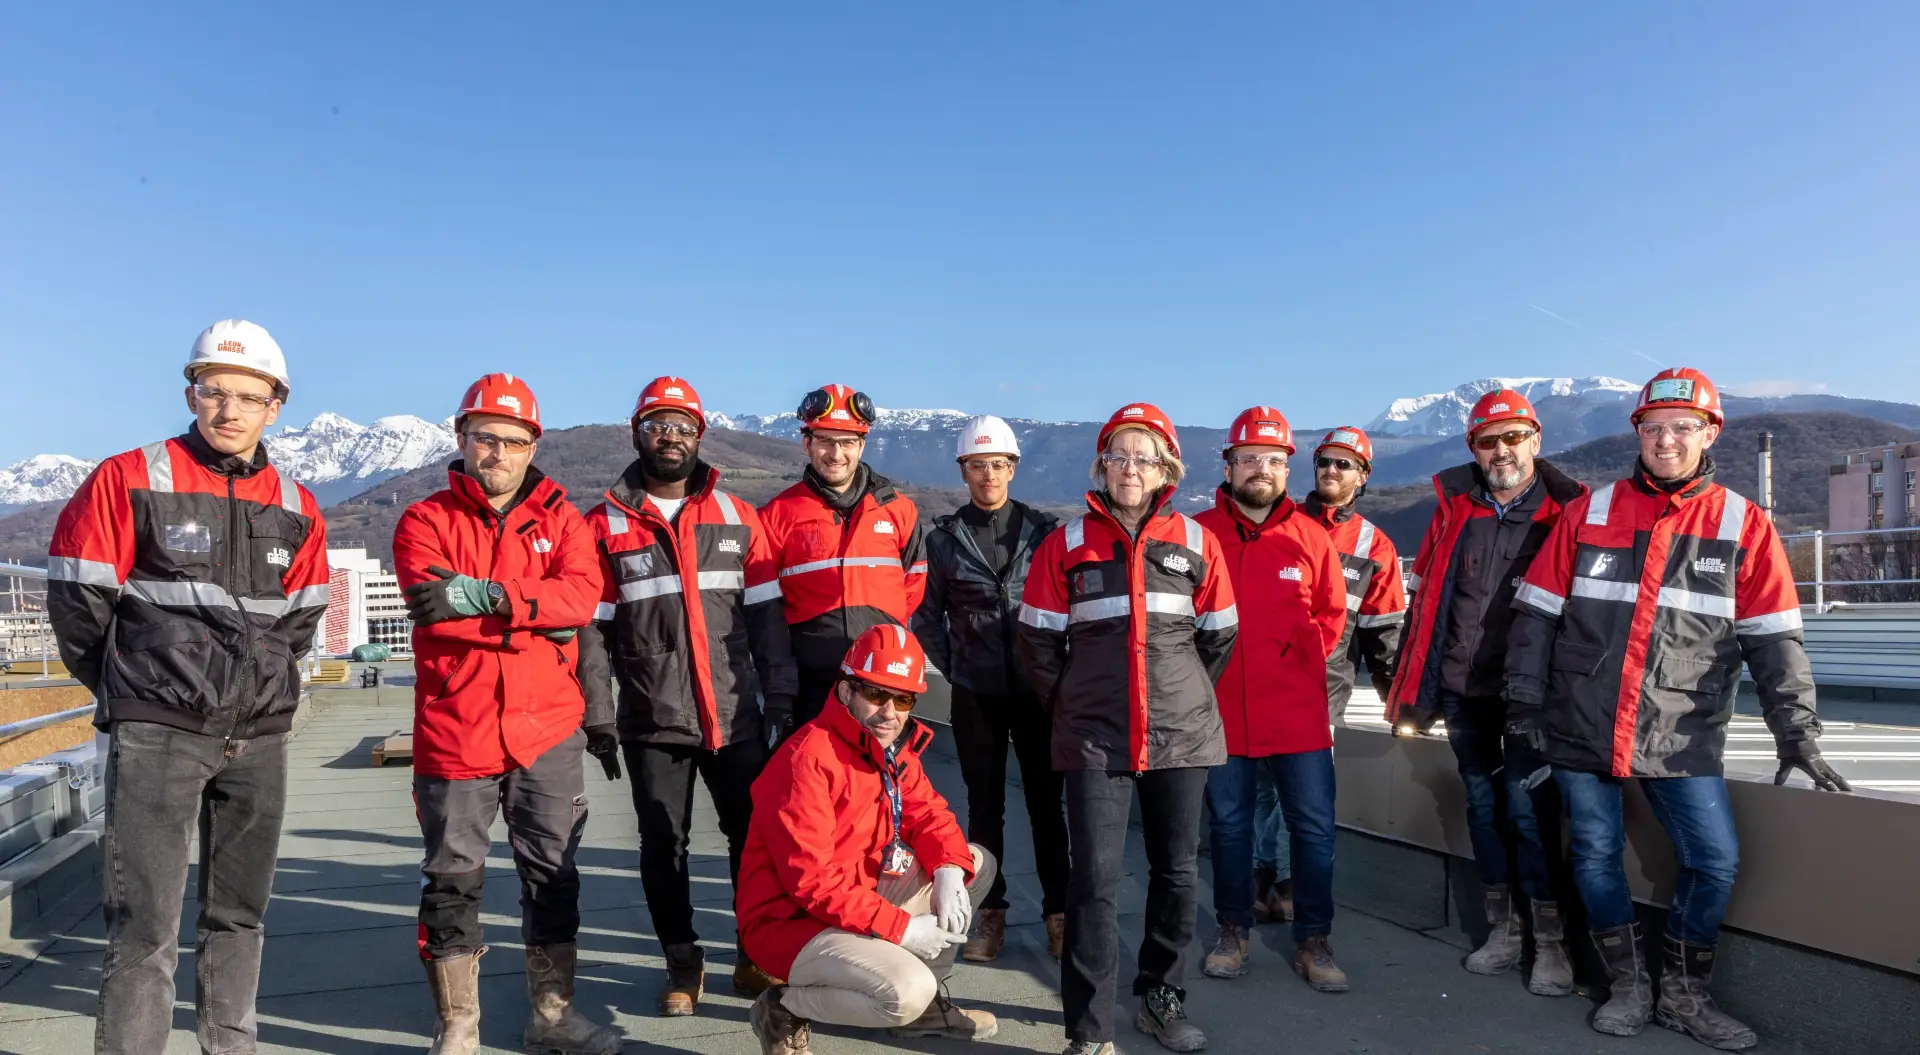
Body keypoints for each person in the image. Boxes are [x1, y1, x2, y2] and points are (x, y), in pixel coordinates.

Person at [1505, 367, 1850, 1050]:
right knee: (1596, 853)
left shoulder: (1742, 523)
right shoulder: (1591, 511)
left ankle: (1685, 996)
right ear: (1637, 431)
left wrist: (1797, 734)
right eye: (1653, 427)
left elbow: (1775, 641)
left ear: (1709, 432)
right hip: (1581, 721)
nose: (1666, 440)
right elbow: (1536, 616)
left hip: (1680, 729)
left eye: (1681, 427)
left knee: (1714, 858)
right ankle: (1628, 987)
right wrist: (1523, 702)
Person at [48, 320, 329, 1055]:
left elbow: (301, 618)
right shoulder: (130, 478)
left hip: (258, 734)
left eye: (247, 396)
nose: (228, 409)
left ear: (276, 405)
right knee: (144, 925)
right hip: (159, 732)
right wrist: (134, 686)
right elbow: (80, 602)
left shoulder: (298, 505)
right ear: (191, 393)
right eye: (213, 391)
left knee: (240, 914)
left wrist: (256, 683)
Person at [391, 373, 620, 1055]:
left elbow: (580, 602)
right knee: (452, 882)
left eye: (512, 440)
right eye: (485, 437)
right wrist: (533, 611)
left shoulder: (563, 520)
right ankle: (458, 1024)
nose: (497, 451)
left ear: (532, 446)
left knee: (553, 877)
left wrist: (484, 597)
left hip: (546, 730)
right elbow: (432, 605)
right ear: (461, 438)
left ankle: (552, 1016)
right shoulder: (424, 520)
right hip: (456, 729)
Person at [1018, 403, 1239, 1055]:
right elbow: (1035, 641)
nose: (1130, 468)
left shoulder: (1198, 543)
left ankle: (1161, 998)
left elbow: (1219, 635)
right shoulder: (1066, 544)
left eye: (1144, 456)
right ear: (1102, 465)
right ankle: (1089, 1030)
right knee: (1094, 879)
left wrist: (1179, 695)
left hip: (1180, 734)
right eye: (1119, 455)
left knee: (1175, 873)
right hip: (1095, 737)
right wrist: (1077, 702)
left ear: (1166, 467)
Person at [575, 376, 798, 1015]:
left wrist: (778, 700)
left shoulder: (737, 517)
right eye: (656, 426)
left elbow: (767, 619)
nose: (670, 438)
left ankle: (754, 954)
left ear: (700, 435)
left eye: (683, 427)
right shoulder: (605, 525)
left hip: (735, 715)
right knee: (663, 845)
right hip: (651, 720)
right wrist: (599, 715)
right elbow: (592, 634)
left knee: (752, 840)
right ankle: (682, 961)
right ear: (635, 433)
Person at [1384, 388, 1584, 997]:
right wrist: (1416, 689)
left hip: (1533, 697)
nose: (1501, 451)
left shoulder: (1567, 513)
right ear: (1474, 447)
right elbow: (1430, 607)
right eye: (1488, 441)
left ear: (1536, 440)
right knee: (1483, 811)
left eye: (1513, 437)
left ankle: (1551, 943)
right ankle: (1505, 930)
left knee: (1530, 813)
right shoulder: (1454, 513)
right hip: (1464, 690)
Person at [736, 624, 999, 1054]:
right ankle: (783, 1008)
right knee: (904, 993)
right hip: (791, 924)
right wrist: (903, 931)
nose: (890, 712)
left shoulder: (888, 750)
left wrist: (950, 870)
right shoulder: (807, 760)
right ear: (844, 693)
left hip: (856, 898)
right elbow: (811, 882)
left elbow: (930, 814)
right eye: (876, 694)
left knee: (975, 862)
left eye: (904, 699)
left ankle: (929, 1008)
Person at [1194, 408, 1350, 991]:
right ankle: (1232, 930)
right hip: (1222, 716)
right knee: (1230, 828)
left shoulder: (1311, 537)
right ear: (1229, 464)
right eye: (1250, 458)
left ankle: (1314, 939)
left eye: (1275, 460)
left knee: (1313, 829)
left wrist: (1294, 661)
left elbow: (1331, 618)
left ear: (1289, 469)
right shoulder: (1200, 534)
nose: (1263, 469)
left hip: (1298, 715)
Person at [910, 414, 1070, 964]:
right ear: (964, 471)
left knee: (1049, 807)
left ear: (1013, 467)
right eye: (977, 466)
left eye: (996, 465)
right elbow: (927, 616)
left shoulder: (1044, 532)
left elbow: (1066, 607)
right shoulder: (945, 540)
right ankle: (991, 914)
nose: (987, 476)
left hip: (1038, 692)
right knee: (984, 810)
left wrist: (1051, 667)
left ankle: (1059, 913)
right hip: (976, 693)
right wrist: (959, 666)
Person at [760, 384, 929, 732]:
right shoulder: (777, 515)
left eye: (847, 442)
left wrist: (880, 627)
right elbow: (765, 607)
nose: (836, 453)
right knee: (810, 779)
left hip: (880, 685)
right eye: (825, 440)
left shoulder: (899, 511)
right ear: (807, 443)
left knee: (879, 780)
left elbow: (912, 586)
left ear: (862, 445)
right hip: (810, 684)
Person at [1301, 426, 1406, 719]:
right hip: (1258, 689)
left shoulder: (1375, 548)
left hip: (1323, 703)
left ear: (1362, 476)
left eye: (1343, 464)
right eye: (1324, 462)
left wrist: (1399, 707)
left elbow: (1384, 638)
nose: (1330, 469)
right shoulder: (1281, 523)